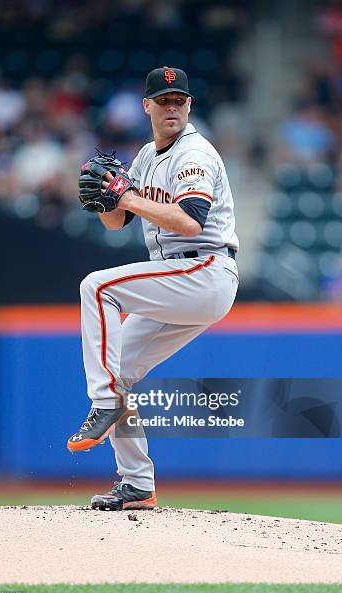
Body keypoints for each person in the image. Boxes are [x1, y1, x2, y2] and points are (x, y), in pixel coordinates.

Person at [67, 67, 239, 510]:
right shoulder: (146, 155)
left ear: (189, 105)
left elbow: (189, 221)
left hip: (204, 269)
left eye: (179, 100)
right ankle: (137, 484)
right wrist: (104, 197)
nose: (172, 108)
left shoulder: (194, 154)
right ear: (147, 106)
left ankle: (103, 404)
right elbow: (116, 222)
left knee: (96, 286)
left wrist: (124, 196)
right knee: (120, 370)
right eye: (163, 101)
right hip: (179, 279)